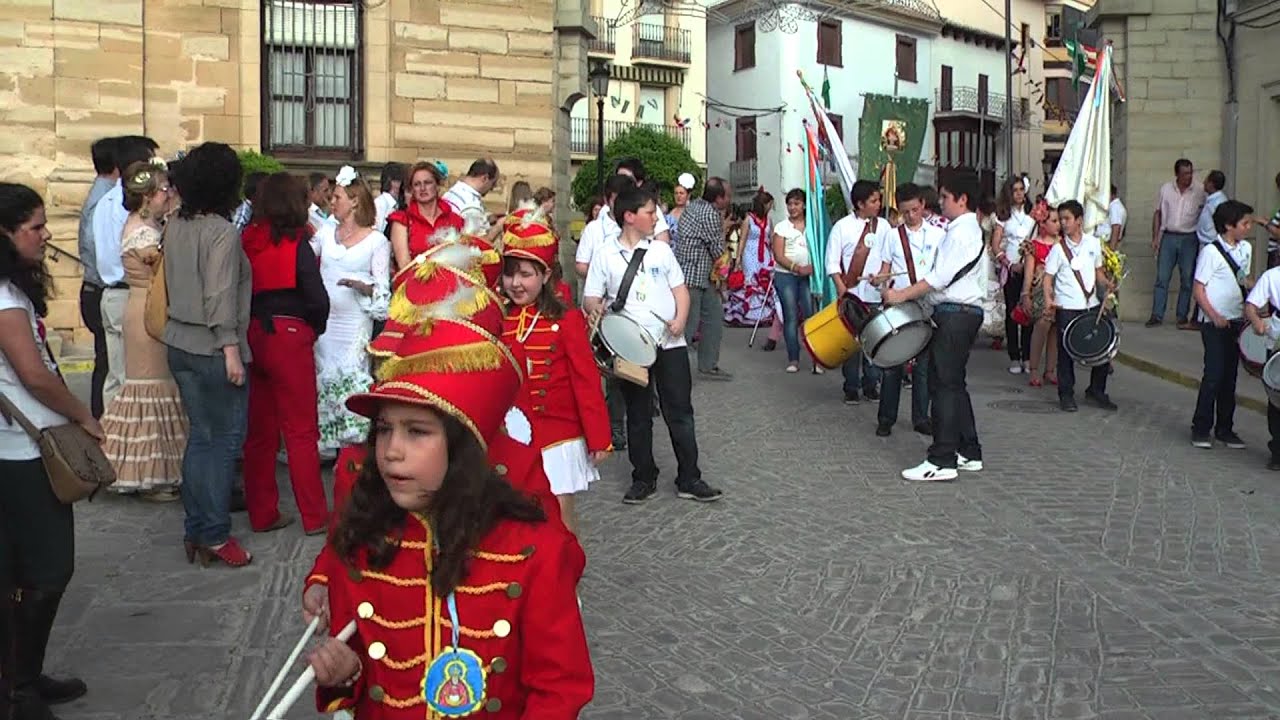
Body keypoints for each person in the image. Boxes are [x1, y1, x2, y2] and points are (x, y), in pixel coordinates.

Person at [299, 235, 592, 718]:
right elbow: (349, 557)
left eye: (416, 431)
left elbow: (558, 677)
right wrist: (346, 670)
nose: (392, 451)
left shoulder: (526, 530)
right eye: (384, 429)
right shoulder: (368, 532)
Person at [0, 183, 96, 720]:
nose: (45, 235)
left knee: (29, 571)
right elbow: (34, 375)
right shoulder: (3, 298)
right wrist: (83, 415)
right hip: (21, 452)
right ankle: (18, 687)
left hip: (23, 447)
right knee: (48, 568)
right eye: (34, 227)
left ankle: (24, 677)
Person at [582, 185, 722, 503]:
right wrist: (595, 308)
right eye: (649, 212)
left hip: (669, 343)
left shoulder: (661, 251)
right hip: (630, 347)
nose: (655, 217)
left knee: (680, 411)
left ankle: (690, 477)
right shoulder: (605, 254)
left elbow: (680, 290)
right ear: (630, 216)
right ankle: (643, 477)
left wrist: (680, 319)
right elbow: (591, 297)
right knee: (638, 414)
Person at [161, 142, 254, 567]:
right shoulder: (221, 231)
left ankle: (195, 529)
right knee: (223, 443)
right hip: (213, 347)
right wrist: (231, 349)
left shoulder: (175, 224)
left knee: (200, 437)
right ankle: (215, 534)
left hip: (178, 342)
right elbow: (219, 293)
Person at [499, 209, 611, 535]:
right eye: (510, 274)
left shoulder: (566, 320)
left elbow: (585, 380)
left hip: (558, 435)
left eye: (525, 275)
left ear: (545, 275)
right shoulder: (496, 318)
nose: (516, 283)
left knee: (559, 517)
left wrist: (598, 437)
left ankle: (567, 567)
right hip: (509, 435)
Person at [881, 171, 988, 482]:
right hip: (962, 313)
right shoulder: (967, 229)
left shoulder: (960, 232)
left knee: (943, 386)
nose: (940, 202)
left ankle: (942, 459)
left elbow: (938, 279)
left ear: (962, 199)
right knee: (954, 384)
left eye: (945, 197)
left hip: (955, 313)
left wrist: (900, 294)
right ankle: (969, 451)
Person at [240, 172, 331, 535]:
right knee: (300, 431)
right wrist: (314, 329)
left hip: (254, 333)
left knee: (260, 433)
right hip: (290, 335)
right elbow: (317, 298)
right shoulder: (297, 243)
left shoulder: (248, 240)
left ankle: (262, 513)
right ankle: (314, 516)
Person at [100, 159, 187, 501]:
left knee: (158, 387)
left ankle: (159, 471)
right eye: (164, 190)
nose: (169, 195)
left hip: (149, 308)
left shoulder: (148, 225)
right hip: (145, 312)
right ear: (148, 196)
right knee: (148, 388)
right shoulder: (142, 233)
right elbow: (164, 265)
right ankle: (146, 476)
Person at [315, 167, 390, 456]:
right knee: (323, 378)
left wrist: (362, 286)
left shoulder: (376, 241)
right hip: (325, 325)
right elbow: (304, 260)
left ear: (355, 200)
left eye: (337, 197)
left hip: (354, 324)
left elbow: (383, 290)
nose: (332, 202)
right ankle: (327, 446)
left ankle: (352, 452)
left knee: (351, 379)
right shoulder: (325, 232)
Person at [92, 135, 159, 410]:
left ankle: (112, 427)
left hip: (109, 292)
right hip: (129, 292)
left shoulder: (104, 201)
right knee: (134, 377)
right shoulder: (129, 206)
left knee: (116, 375)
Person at [875, 182, 943, 436]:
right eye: (905, 212)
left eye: (915, 210)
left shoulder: (938, 235)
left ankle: (921, 417)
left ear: (923, 205)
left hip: (926, 304)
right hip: (900, 305)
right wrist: (879, 281)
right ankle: (886, 418)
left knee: (924, 366)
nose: (911, 215)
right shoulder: (893, 235)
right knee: (893, 362)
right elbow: (885, 270)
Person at [1042, 200, 1118, 413]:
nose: (1063, 223)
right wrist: (1048, 300)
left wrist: (1107, 284)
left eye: (1067, 219)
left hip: (1091, 304)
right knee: (1066, 352)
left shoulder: (1093, 244)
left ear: (1079, 220)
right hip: (1067, 306)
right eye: (1061, 219)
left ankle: (1096, 390)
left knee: (1101, 348)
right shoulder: (1058, 250)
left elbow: (1098, 272)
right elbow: (1048, 277)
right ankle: (1066, 394)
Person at [1190, 200, 1253, 449]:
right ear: (1228, 225)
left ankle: (1225, 428)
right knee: (1213, 375)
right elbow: (1199, 289)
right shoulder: (1210, 252)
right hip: (1214, 323)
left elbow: (1242, 279)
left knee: (1230, 377)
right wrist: (1214, 315)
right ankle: (1201, 427)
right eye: (1244, 223)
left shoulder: (1245, 249)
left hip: (1236, 320)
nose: (1248, 228)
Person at [827, 179, 889, 404]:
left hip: (874, 295)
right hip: (851, 294)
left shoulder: (884, 226)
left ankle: (871, 384)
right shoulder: (842, 227)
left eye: (879, 200)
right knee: (852, 343)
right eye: (873, 201)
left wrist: (882, 276)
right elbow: (832, 262)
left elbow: (888, 258)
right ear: (860, 204)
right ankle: (851, 386)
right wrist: (841, 288)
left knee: (874, 341)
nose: (878, 204)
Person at [672, 178, 733, 380]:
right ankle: (674, 372)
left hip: (699, 275)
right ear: (719, 198)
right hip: (693, 276)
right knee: (688, 326)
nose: (730, 199)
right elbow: (718, 251)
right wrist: (726, 273)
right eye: (727, 195)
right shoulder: (710, 214)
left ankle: (708, 365)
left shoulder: (695, 206)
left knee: (713, 318)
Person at [78, 136, 118, 419]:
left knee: (107, 361)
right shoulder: (106, 198)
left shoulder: (103, 193)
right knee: (108, 363)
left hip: (96, 288)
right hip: (101, 289)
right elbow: (97, 248)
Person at [1147, 158, 1207, 329]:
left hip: (1189, 237)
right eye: (1185, 174)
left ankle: (1182, 316)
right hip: (1168, 236)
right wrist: (1155, 237)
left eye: (1190, 173)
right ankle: (1157, 315)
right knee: (1162, 277)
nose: (1189, 177)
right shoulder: (1166, 189)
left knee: (1187, 278)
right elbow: (1157, 213)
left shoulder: (1200, 190)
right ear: (1177, 174)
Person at [769, 189, 817, 373]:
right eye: (790, 204)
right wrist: (797, 268)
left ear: (804, 205)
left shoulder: (813, 226)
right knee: (791, 316)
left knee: (810, 316)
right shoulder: (782, 227)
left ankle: (816, 358)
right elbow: (778, 255)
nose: (793, 208)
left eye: (796, 204)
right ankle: (793, 358)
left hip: (808, 277)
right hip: (786, 276)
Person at [991, 177, 1036, 374]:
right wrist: (1008, 263)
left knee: (1029, 311)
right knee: (1012, 312)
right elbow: (995, 245)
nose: (1019, 193)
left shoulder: (1033, 213)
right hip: (1012, 268)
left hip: (1031, 267)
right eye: (1015, 190)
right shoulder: (1003, 216)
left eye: (1021, 189)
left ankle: (1027, 356)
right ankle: (1014, 356)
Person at [386, 161, 465, 270]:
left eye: (427, 183)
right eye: (417, 184)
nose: (422, 188)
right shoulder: (402, 220)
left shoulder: (456, 220)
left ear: (437, 185)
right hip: (415, 279)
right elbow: (404, 265)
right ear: (412, 190)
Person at [1244, 255, 1280, 470]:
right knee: (1277, 399)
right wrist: (1257, 321)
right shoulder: (1272, 276)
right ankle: (1278, 452)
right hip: (1277, 343)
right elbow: (1250, 306)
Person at [442, 157, 500, 234]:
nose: (492, 188)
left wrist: (485, 219)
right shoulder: (471, 205)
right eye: (493, 183)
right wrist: (498, 227)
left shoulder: (453, 191)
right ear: (485, 178)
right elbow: (477, 240)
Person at [373, 161, 404, 234]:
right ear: (391, 181)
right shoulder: (380, 203)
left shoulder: (398, 204)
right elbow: (377, 230)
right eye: (399, 181)